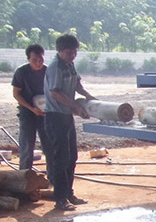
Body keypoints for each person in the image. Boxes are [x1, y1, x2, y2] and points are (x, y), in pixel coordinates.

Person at [44, 34, 95, 211]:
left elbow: (77, 85)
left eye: (74, 52)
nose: (72, 55)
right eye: (69, 52)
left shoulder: (69, 64)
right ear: (60, 51)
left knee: (72, 156)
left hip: (66, 116)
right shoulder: (55, 67)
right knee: (61, 158)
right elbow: (56, 93)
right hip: (55, 117)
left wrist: (88, 96)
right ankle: (60, 198)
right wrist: (76, 107)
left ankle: (68, 193)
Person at [11, 44, 51, 173]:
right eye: (34, 60)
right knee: (27, 145)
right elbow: (16, 94)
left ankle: (53, 176)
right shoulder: (21, 72)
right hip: (27, 111)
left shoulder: (48, 71)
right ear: (28, 59)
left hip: (45, 112)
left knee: (49, 144)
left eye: (41, 60)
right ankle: (24, 176)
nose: (38, 63)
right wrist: (31, 108)